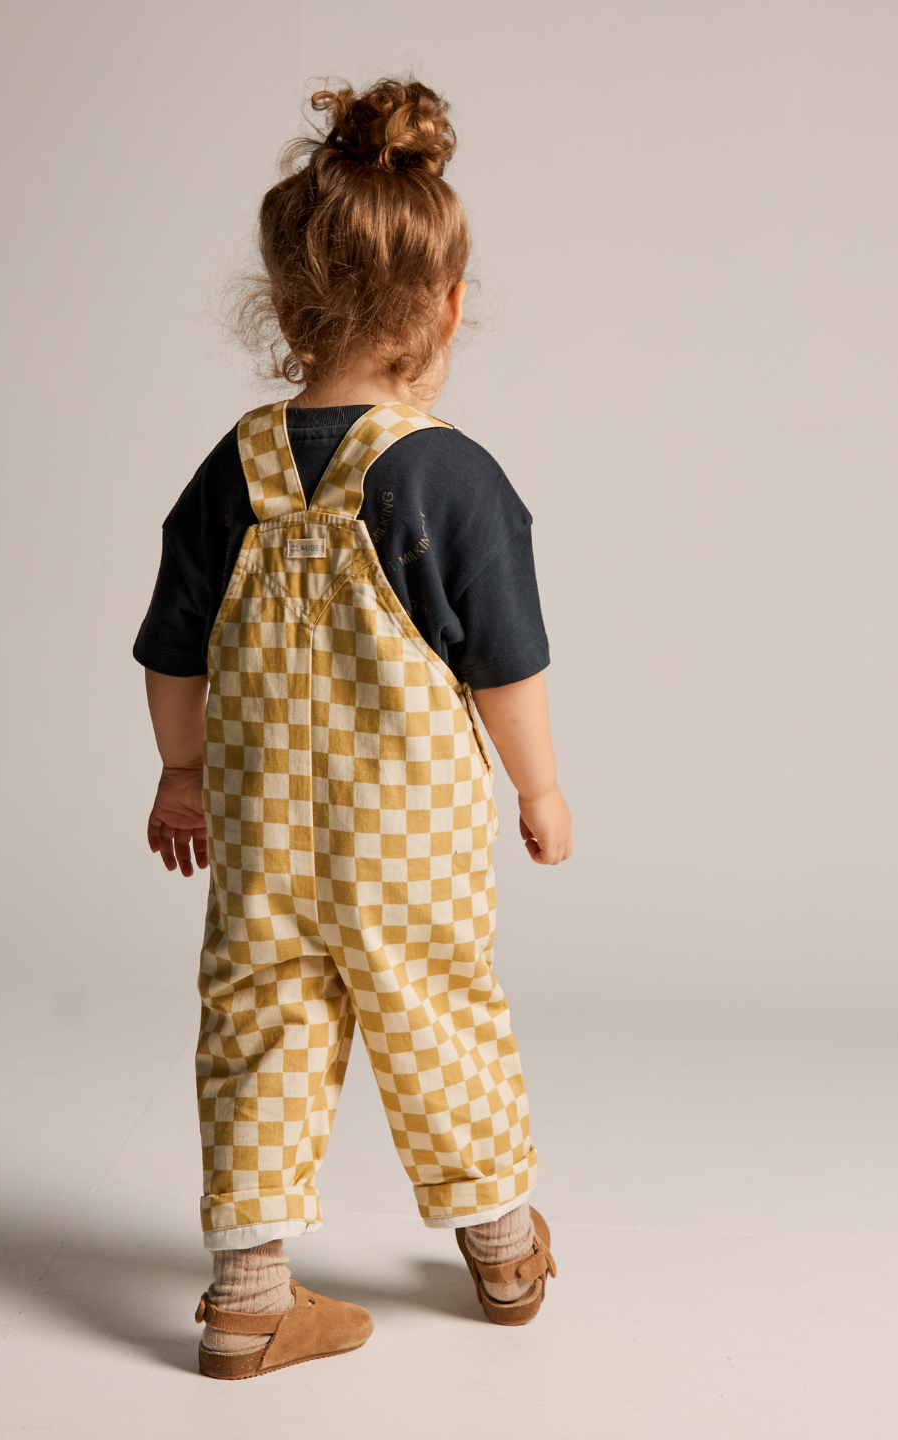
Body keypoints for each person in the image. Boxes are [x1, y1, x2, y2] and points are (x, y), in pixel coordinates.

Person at [133, 76, 571, 1381]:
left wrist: (181, 771)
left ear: (284, 305)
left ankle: (251, 1298)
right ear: (447, 305)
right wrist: (541, 794)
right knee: (437, 1015)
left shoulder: (240, 470)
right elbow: (507, 665)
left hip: (266, 840)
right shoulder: (448, 474)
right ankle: (503, 1251)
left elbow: (172, 644)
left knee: (259, 1022)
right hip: (407, 845)